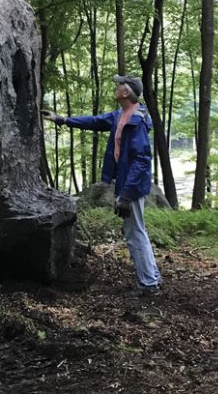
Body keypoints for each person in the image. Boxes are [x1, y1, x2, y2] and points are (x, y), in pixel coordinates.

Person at [42, 75, 162, 297]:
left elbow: (141, 161)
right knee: (136, 231)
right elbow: (95, 121)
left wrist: (125, 194)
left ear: (126, 93)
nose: (115, 87)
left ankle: (148, 284)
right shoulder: (120, 116)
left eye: (119, 85)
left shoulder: (136, 121)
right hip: (128, 183)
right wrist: (62, 119)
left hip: (132, 186)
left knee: (135, 233)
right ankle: (151, 276)